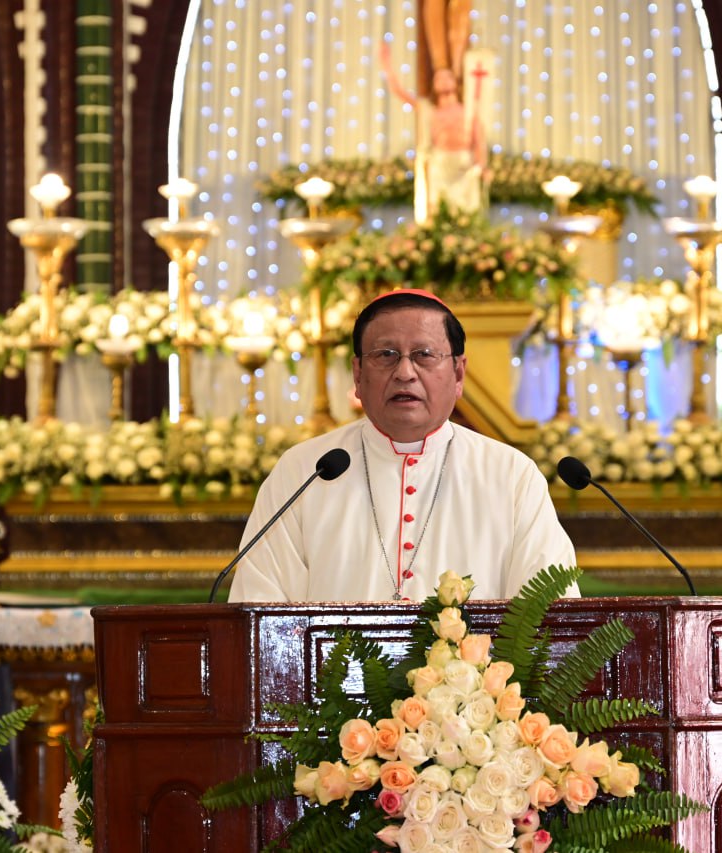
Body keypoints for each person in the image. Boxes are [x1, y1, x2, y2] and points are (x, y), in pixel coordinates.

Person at [227, 289, 577, 602]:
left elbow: (549, 614)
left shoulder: (511, 475)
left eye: (424, 354)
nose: (405, 372)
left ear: (458, 374)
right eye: (386, 355)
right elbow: (258, 606)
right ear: (358, 374)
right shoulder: (303, 470)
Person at [379, 41, 486, 217]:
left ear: (455, 82)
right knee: (440, 209)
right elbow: (398, 91)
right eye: (438, 78)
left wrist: (482, 165)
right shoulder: (429, 110)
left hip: (464, 165)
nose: (442, 81)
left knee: (466, 213)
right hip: (440, 164)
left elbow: (478, 141)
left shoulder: (468, 110)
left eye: (447, 77)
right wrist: (387, 65)